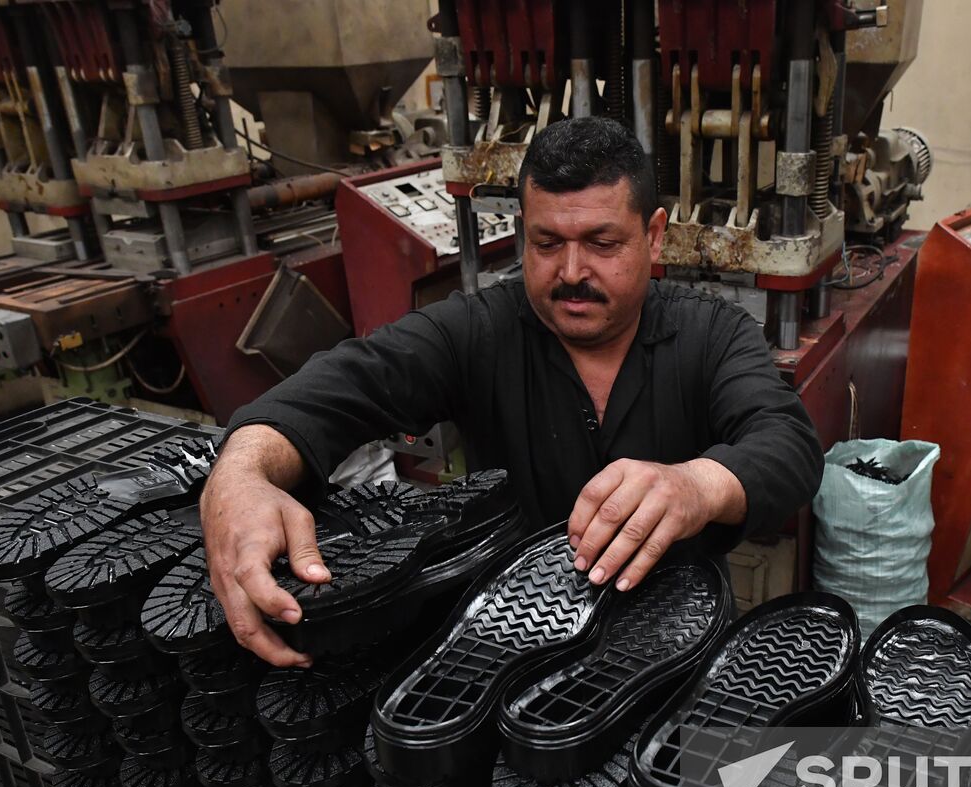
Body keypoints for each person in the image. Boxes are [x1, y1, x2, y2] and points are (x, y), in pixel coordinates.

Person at [201, 116, 824, 667]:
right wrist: (239, 474)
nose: (573, 272)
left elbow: (788, 444)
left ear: (654, 236)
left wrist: (696, 484)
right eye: (547, 243)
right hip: (511, 651)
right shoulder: (479, 330)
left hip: (675, 651)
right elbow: (343, 384)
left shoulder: (711, 333)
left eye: (603, 244)